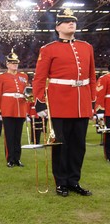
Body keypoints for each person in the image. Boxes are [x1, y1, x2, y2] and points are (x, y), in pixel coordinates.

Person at [32, 8, 96, 197]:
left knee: (78, 145)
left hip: (81, 102)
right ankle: (61, 182)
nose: (72, 23)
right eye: (67, 21)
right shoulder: (49, 49)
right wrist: (40, 102)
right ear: (58, 26)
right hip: (58, 103)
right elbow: (39, 78)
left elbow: (91, 77)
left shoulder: (87, 47)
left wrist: (91, 100)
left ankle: (73, 180)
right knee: (60, 144)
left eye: (74, 21)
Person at [0, 49, 28, 167]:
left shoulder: (24, 76)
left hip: (20, 108)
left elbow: (26, 93)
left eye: (16, 63)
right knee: (9, 136)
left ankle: (17, 158)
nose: (15, 65)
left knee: (18, 136)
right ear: (7, 64)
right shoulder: (1, 77)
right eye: (12, 63)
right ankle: (10, 159)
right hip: (8, 109)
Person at [96, 64, 110, 163]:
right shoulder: (104, 78)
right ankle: (109, 155)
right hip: (108, 111)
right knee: (108, 134)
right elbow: (99, 95)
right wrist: (100, 112)